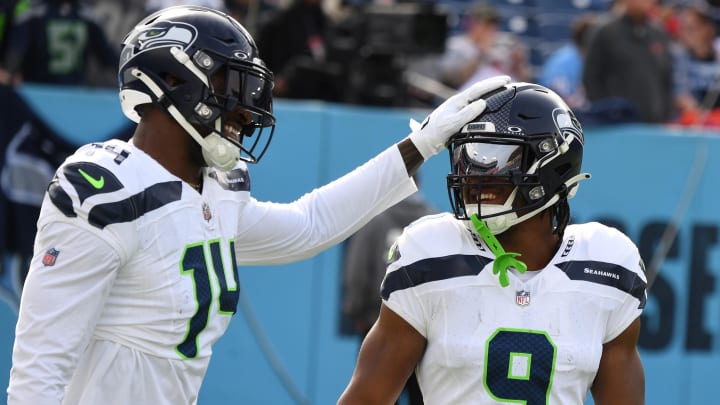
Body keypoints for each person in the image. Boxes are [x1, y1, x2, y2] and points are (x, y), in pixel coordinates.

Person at [5, 4, 511, 404]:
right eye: (231, 82)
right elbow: (40, 364)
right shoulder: (105, 188)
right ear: (174, 81)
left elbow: (309, 225)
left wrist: (419, 145)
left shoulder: (214, 190)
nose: (246, 105)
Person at [338, 82, 647, 404]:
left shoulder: (608, 264)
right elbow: (365, 399)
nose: (474, 174)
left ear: (553, 163)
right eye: (468, 155)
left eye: (494, 155)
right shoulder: (430, 251)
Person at [341, 182, 435, 405]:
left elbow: (356, 272)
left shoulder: (374, 220)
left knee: (374, 394)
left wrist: (357, 314)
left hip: (377, 326)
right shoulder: (435, 221)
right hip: (425, 334)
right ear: (418, 183)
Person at [582, 0, 674, 123]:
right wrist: (605, 112)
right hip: (617, 124)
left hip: (654, 123)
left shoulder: (659, 33)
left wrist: (665, 114)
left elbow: (666, 78)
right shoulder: (605, 32)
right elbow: (591, 77)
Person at [1, 0, 118, 86]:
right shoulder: (32, 12)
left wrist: (8, 72)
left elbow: (107, 55)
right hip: (41, 91)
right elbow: (107, 56)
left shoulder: (32, 11)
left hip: (68, 91)